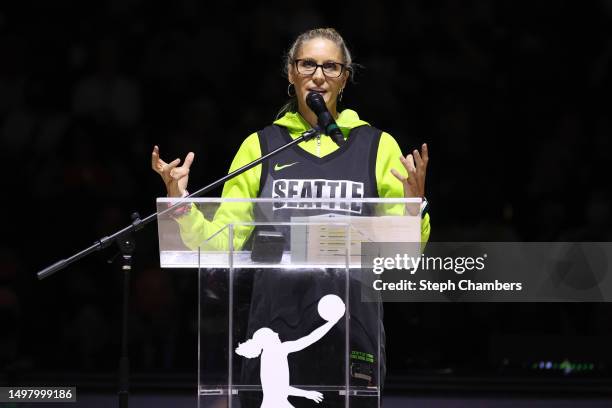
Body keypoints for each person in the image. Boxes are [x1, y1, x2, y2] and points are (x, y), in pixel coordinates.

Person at [152, 27, 430, 407]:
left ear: (345, 77)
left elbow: (401, 254)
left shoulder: (377, 146)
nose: (319, 75)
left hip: (353, 330)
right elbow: (223, 239)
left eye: (331, 66)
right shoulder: (261, 146)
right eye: (308, 64)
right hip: (274, 330)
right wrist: (180, 201)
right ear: (290, 73)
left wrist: (415, 211)